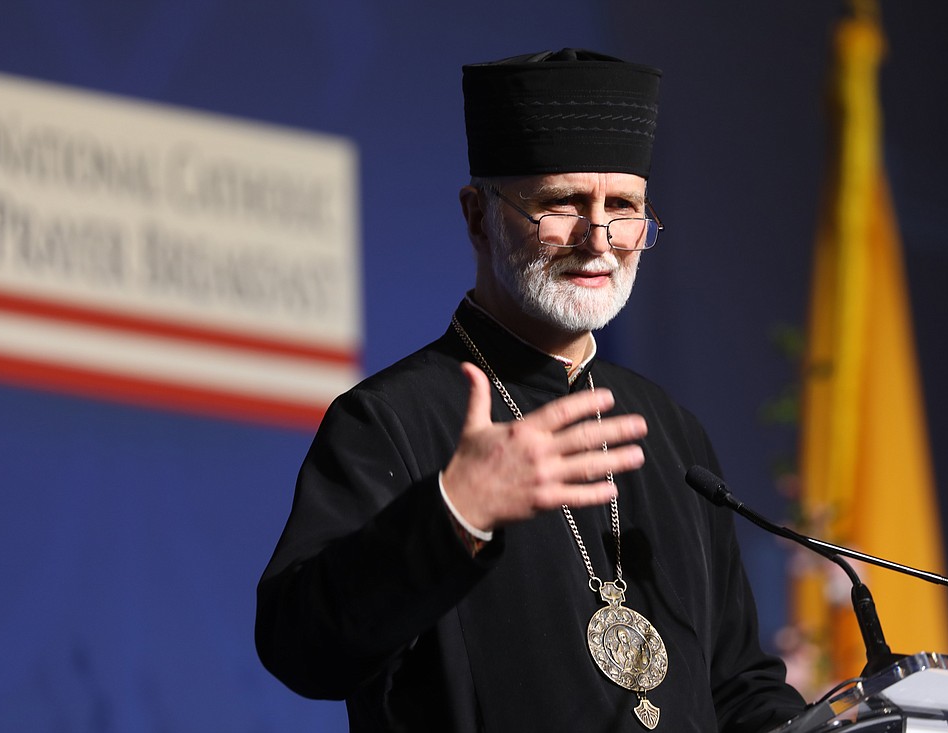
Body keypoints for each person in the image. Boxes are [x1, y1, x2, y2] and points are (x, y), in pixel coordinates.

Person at [255, 48, 807, 732]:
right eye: (562, 204)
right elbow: (300, 648)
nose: (598, 239)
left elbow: (738, 686)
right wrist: (456, 511)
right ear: (478, 216)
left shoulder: (672, 432)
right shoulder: (390, 419)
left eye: (624, 207)